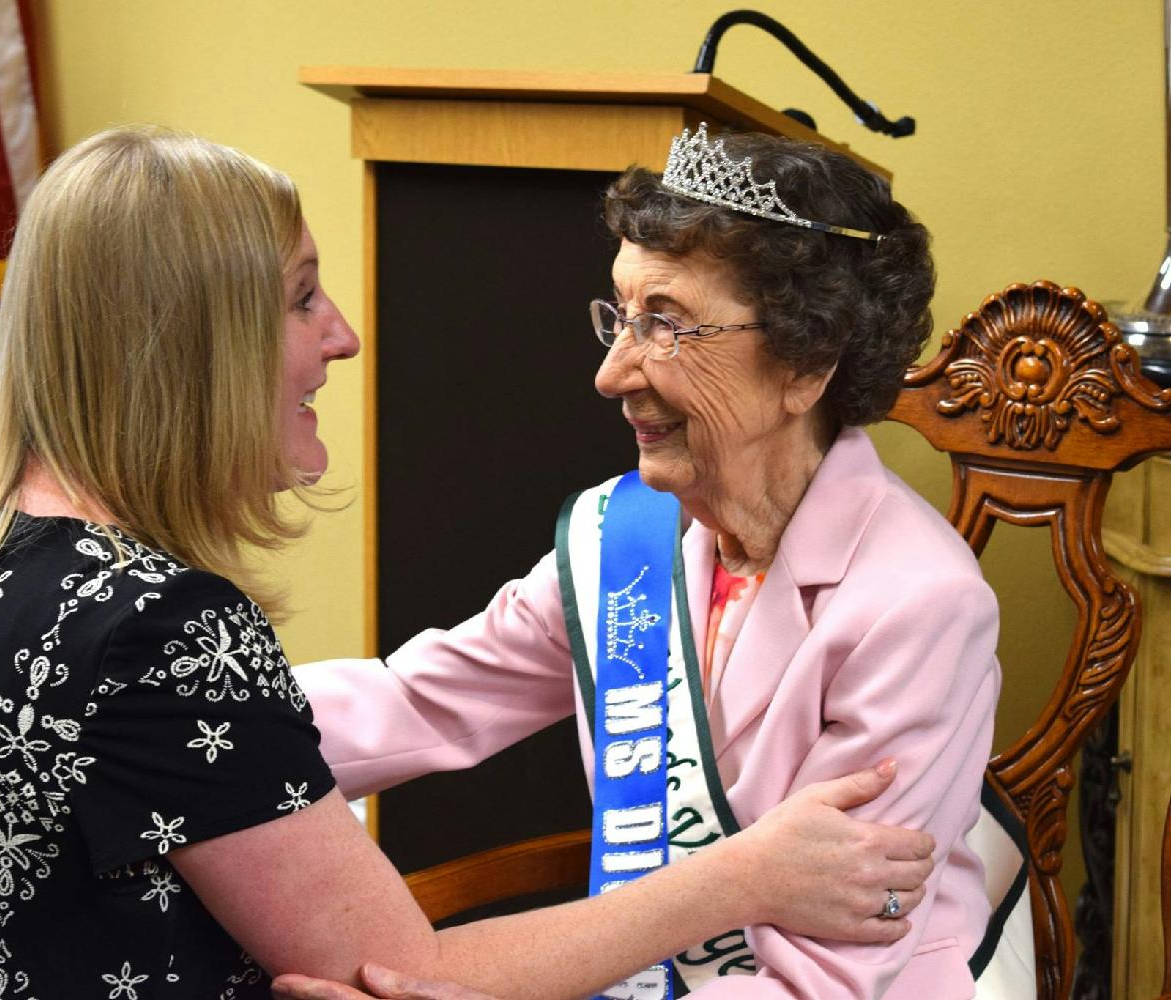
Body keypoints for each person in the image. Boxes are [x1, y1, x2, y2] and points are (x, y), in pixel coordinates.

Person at [0, 125, 937, 1000]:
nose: (346, 335)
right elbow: (398, 917)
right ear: (193, 350)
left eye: (664, 321)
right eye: (303, 297)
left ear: (806, 365)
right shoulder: (161, 633)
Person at [294, 125, 1019, 999]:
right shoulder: (632, 537)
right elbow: (420, 703)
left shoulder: (919, 604)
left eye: (665, 325)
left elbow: (828, 979)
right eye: (620, 317)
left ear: (807, 361)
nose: (611, 373)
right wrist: (182, 712)